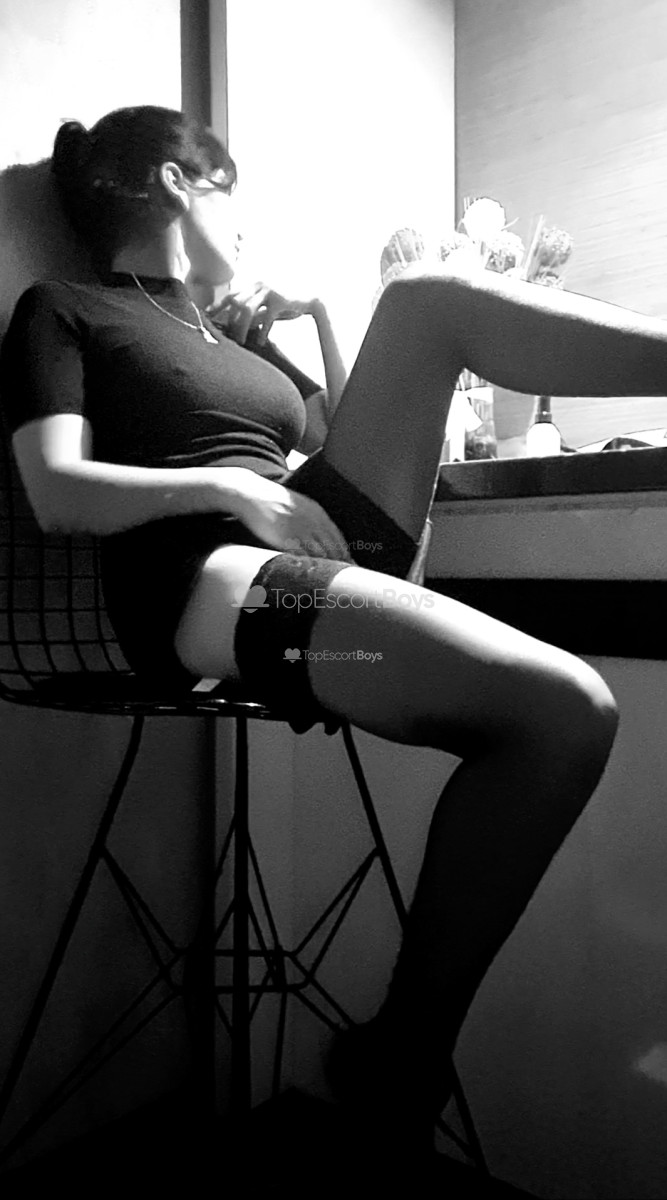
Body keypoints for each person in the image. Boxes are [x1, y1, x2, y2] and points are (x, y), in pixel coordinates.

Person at [5, 102, 665, 1174]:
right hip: (212, 588)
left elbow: (347, 432)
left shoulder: (229, 334)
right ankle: (402, 1058)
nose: (246, 228)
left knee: (423, 301)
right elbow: (55, 491)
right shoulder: (66, 309)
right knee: (561, 713)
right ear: (178, 183)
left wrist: (313, 314)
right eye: (235, 200)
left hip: (321, 557)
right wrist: (233, 490)